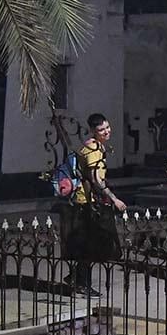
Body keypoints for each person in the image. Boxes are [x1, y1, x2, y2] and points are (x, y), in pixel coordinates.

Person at [63, 113, 127, 297]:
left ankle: (76, 277)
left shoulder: (92, 146)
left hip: (85, 199)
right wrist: (114, 199)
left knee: (90, 242)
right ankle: (82, 283)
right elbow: (96, 179)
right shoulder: (93, 149)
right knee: (91, 243)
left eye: (107, 127)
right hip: (87, 201)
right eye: (101, 129)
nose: (106, 132)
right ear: (93, 131)